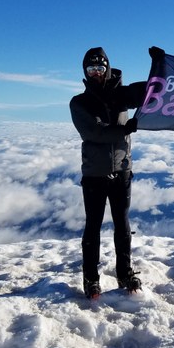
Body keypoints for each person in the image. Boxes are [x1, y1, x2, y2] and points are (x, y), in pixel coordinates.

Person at [69, 46, 155, 298]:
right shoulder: (79, 102)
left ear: (107, 69)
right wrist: (126, 129)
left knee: (122, 226)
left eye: (100, 67)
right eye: (91, 69)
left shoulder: (121, 95)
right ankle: (91, 279)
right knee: (93, 227)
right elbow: (94, 132)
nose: (96, 73)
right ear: (85, 72)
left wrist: (158, 67)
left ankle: (125, 273)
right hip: (94, 174)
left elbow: (151, 92)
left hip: (122, 171)